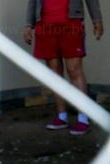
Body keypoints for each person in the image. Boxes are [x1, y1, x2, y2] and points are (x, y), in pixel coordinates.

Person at [24, 0, 104, 135]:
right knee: (54, 72)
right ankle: (62, 117)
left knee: (74, 70)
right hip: (44, 25)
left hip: (71, 23)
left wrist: (97, 20)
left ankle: (83, 118)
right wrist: (28, 25)